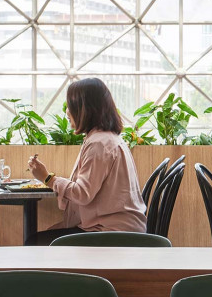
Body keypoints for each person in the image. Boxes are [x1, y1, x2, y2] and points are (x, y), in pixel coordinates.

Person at [26, 78, 147, 245]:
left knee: (35, 242)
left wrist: (48, 178)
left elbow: (82, 194)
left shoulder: (98, 143)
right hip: (118, 227)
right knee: (45, 236)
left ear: (84, 110)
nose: (67, 112)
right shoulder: (106, 138)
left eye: (70, 106)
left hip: (111, 232)